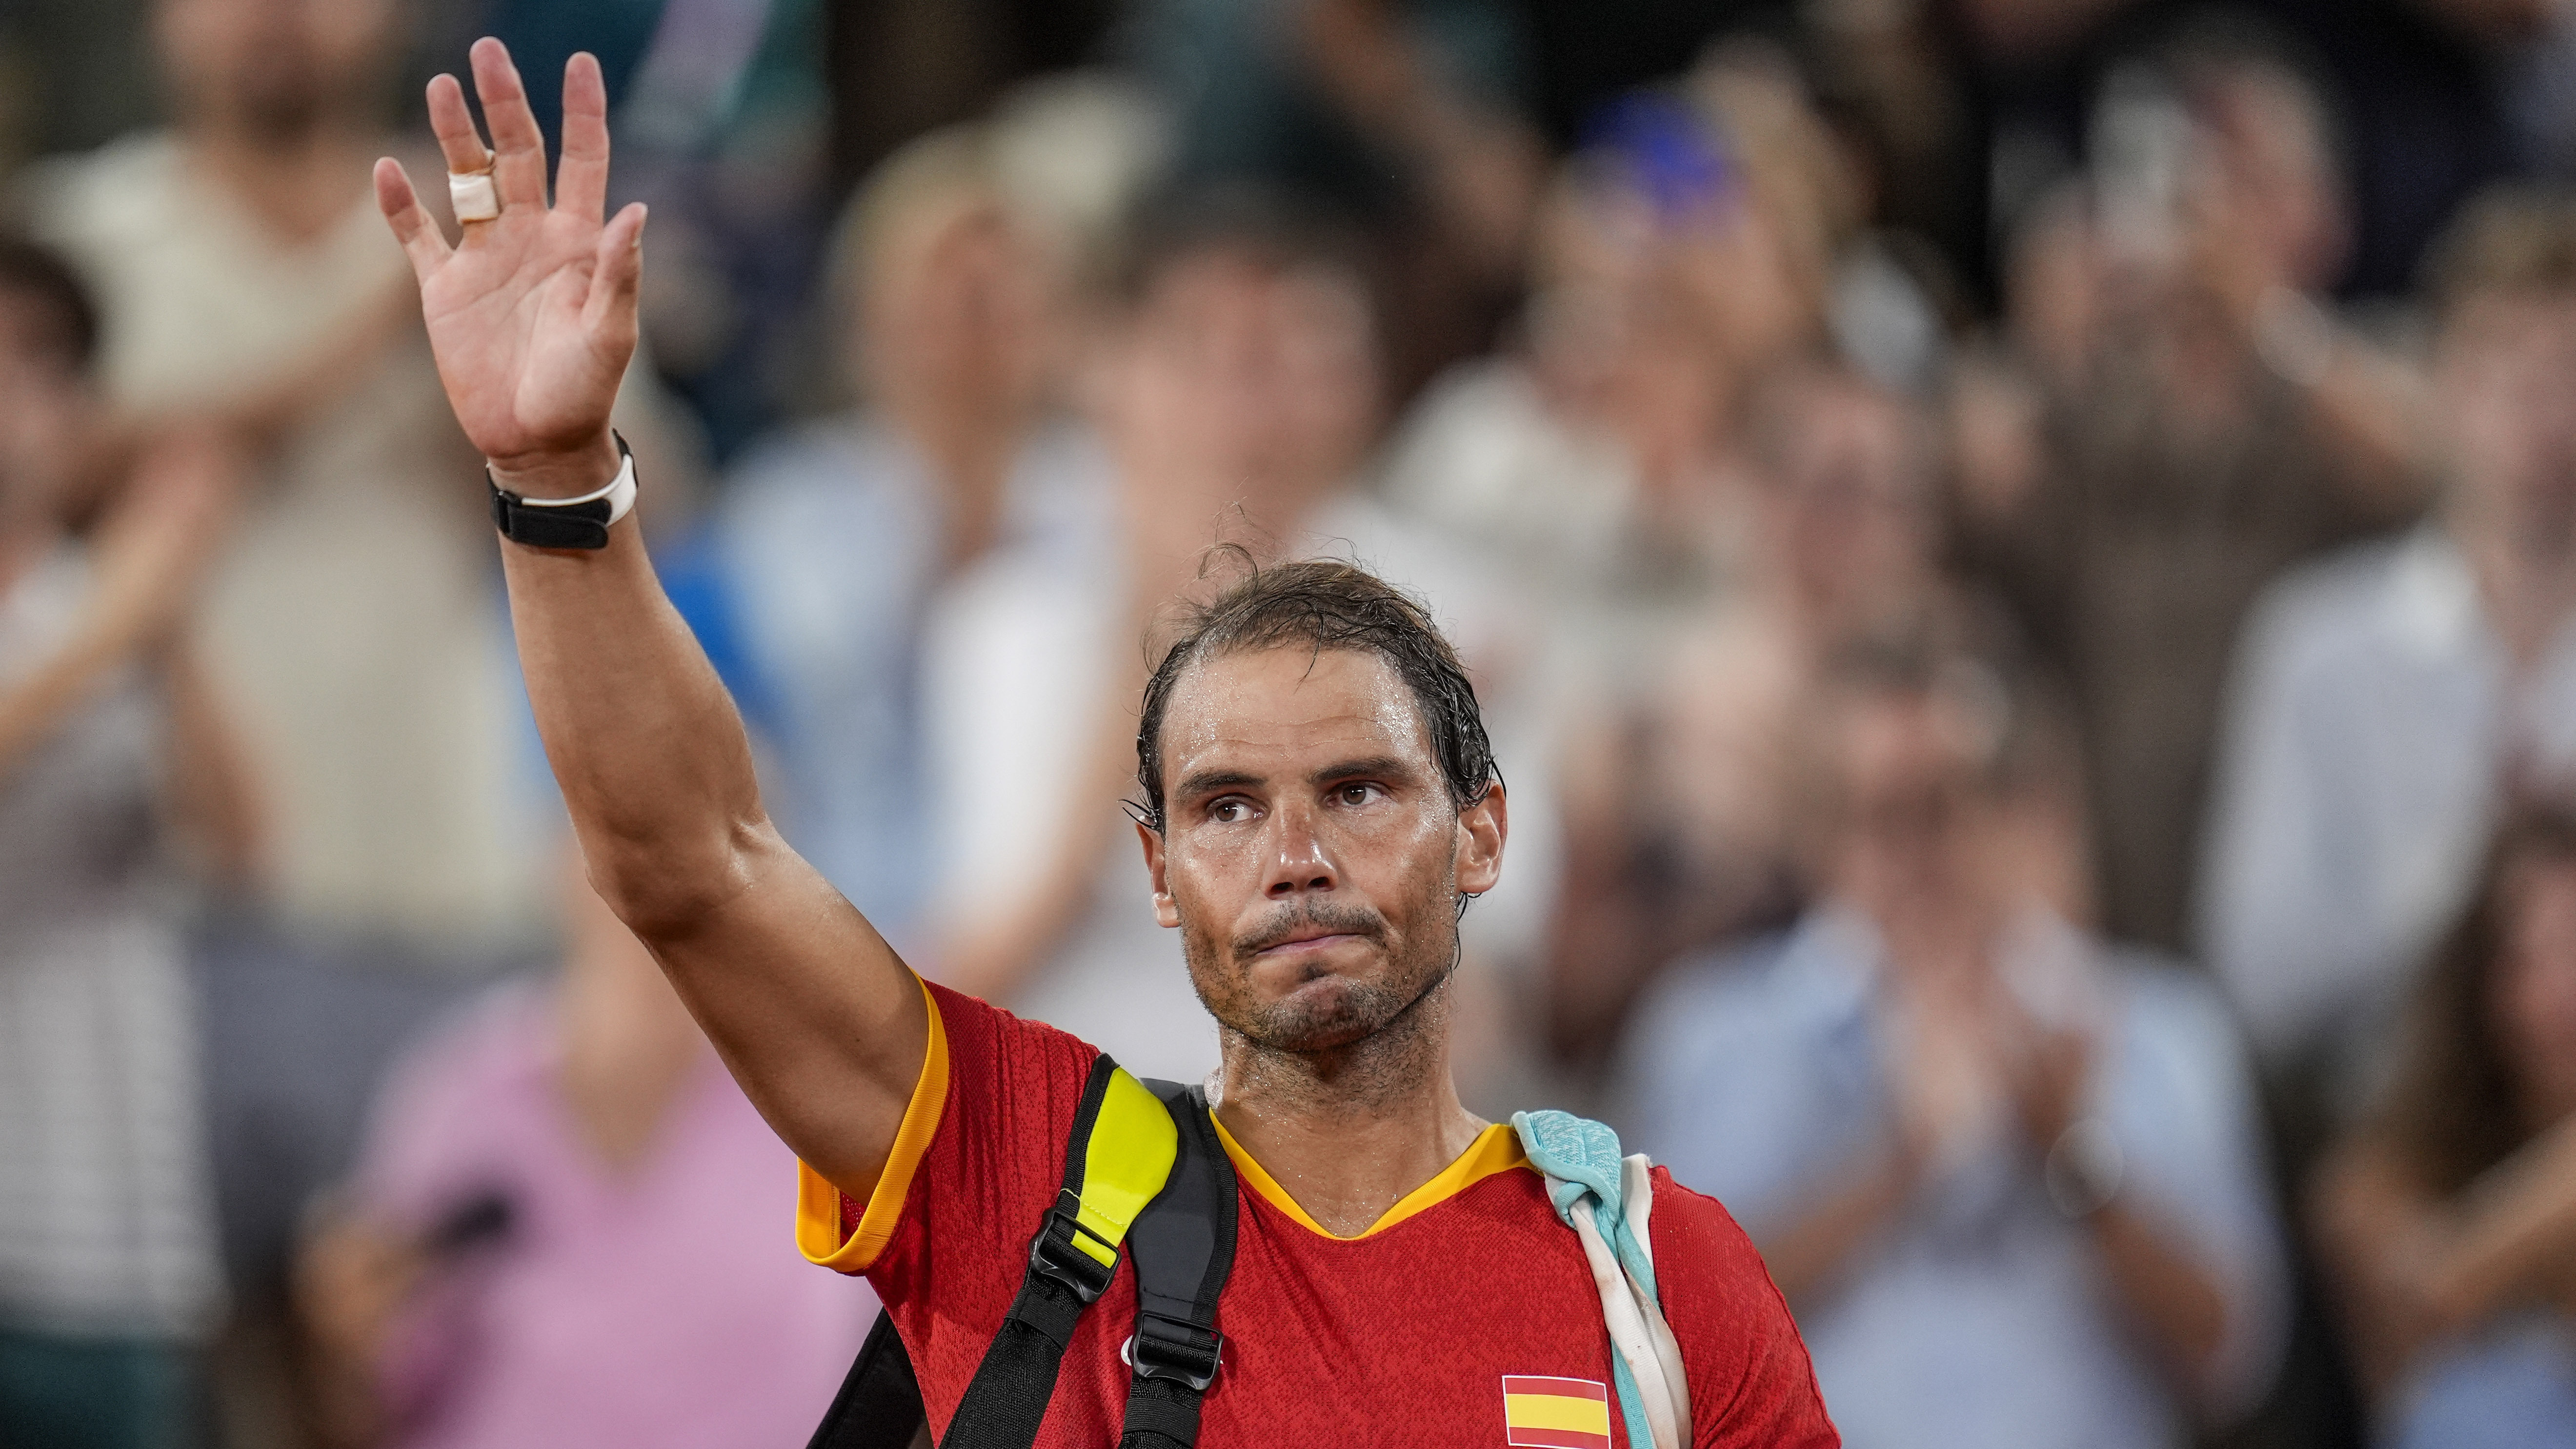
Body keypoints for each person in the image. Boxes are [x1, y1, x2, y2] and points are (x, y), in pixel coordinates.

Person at [370, 39, 1837, 1446]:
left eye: (1359, 787)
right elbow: (692, 865)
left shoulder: (1652, 1273)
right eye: (1222, 808)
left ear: (1483, 830)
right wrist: (557, 477)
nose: (1295, 855)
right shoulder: (1016, 1174)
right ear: (1152, 866)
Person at [1616, 622, 2287, 1449]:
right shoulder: (1715, 1033)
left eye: (1948, 808)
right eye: (1882, 818)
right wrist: (1897, 1166)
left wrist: (2073, 1158)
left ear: (2029, 808)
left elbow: (2234, 1357)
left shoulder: (2158, 1026)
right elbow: (1661, 1343)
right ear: (1819, 833)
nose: (1919, 858)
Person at [1952, 22, 2430, 957]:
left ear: (2326, 216)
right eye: (2182, 183)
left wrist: (2259, 313)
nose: (2204, 218)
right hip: (2112, 902)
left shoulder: (2358, 381)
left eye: (2244, 182)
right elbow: (1986, 511)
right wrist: (2037, 345)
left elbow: (2422, 474)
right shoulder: (2094, 414)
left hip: (2307, 907)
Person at [2199, 188, 2576, 1115]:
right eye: (2508, 372)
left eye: (2570, 374)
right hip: (2387, 1135)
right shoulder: (2320, 644)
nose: (2544, 419)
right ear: (2445, 387)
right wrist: (2464, 881)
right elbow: (2256, 982)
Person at [296, 846, 873, 1449]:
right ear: (565, 876)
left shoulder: (820, 1107)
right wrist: (347, 1331)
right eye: (635, 840)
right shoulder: (464, 1093)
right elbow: (372, 1391)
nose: (668, 897)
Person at [713, 119, 1107, 941]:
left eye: (1006, 286)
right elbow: (779, 734)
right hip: (837, 923)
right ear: (869, 315)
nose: (976, 312)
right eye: (946, 282)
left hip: (1076, 923)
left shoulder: (1114, 497)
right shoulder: (792, 505)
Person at [0, 237, 255, 1448]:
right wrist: (129, 608)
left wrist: (168, 616)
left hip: (115, 1244)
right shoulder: (115, 610)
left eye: (34, 360)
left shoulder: (122, 609)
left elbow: (247, 846)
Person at [2310, 805, 2576, 1448]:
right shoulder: (2380, 1176)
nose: (2560, 993)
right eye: (2526, 957)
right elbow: (2425, 1292)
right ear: (2478, 983)